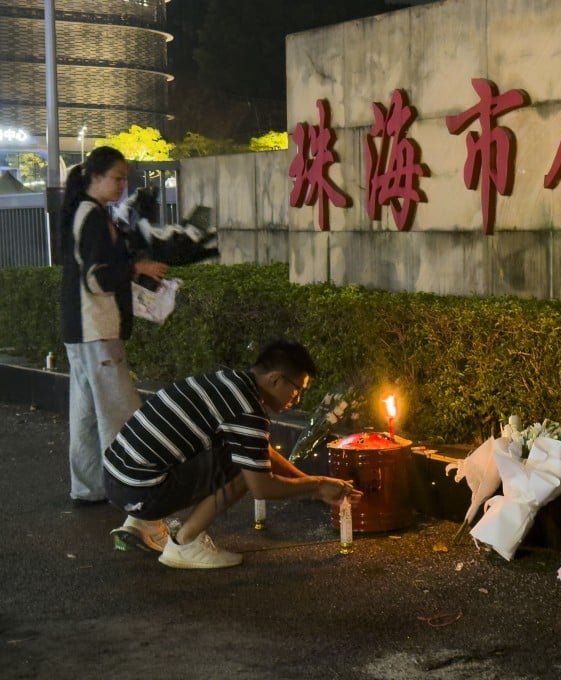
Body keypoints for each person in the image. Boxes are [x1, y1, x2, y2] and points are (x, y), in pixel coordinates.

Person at [103, 339, 362, 569]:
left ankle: (141, 522)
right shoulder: (248, 410)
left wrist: (306, 480)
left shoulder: (230, 383)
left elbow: (261, 451)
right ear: (275, 379)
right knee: (242, 467)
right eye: (297, 390)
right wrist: (317, 486)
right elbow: (261, 487)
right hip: (141, 490)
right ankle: (185, 543)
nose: (296, 400)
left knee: (244, 455)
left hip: (117, 479)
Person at [60, 146, 169, 504]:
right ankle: (134, 493)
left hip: (82, 329)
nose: (123, 185)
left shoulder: (86, 212)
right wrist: (137, 268)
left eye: (126, 178)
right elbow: (96, 278)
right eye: (117, 178)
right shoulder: (92, 216)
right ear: (95, 177)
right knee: (121, 412)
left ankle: (89, 488)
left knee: (88, 414)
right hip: (97, 328)